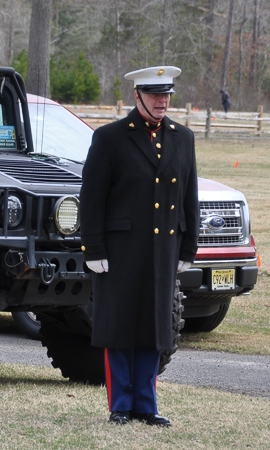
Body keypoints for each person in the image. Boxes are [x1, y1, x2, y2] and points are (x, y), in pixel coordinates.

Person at [79, 66, 198, 427]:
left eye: (166, 96)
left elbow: (188, 197)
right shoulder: (110, 138)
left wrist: (188, 249)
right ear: (137, 96)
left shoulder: (182, 137)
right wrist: (94, 249)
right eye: (154, 95)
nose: (162, 102)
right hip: (120, 250)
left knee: (154, 326)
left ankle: (147, 404)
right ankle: (120, 404)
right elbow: (92, 199)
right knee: (119, 326)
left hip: (162, 250)